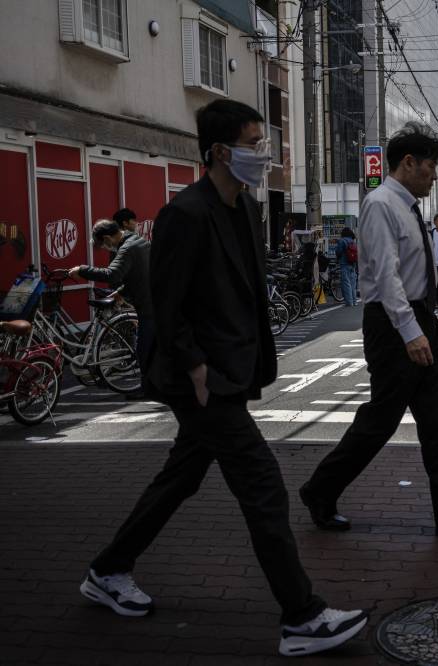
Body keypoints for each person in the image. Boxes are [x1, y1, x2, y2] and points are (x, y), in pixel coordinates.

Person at [78, 100, 367, 658]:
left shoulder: (242, 208)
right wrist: (194, 365)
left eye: (265, 143)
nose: (265, 154)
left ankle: (108, 569)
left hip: (227, 373)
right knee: (262, 486)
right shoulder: (185, 214)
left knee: (180, 478)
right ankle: (301, 616)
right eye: (254, 144)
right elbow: (167, 302)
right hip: (202, 380)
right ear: (218, 152)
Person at [300, 122, 438, 539]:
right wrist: (411, 331)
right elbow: (386, 276)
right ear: (408, 162)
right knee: (380, 420)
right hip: (394, 325)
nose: (433, 177)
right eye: (430, 168)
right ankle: (320, 489)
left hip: (420, 319)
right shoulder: (380, 204)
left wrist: (424, 324)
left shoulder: (411, 206)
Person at [69, 219, 152, 398]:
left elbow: (112, 274)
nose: (105, 248)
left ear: (107, 238)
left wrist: (82, 269)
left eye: (103, 244)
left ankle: (148, 388)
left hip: (151, 306)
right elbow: (140, 276)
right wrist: (121, 292)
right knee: (151, 348)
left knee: (145, 349)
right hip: (154, 301)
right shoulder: (138, 241)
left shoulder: (127, 248)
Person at [334, 228, 358, 306]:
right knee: (352, 284)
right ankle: (354, 301)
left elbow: (338, 251)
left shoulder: (342, 241)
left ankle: (349, 302)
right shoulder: (352, 241)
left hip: (344, 263)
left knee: (346, 283)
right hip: (353, 264)